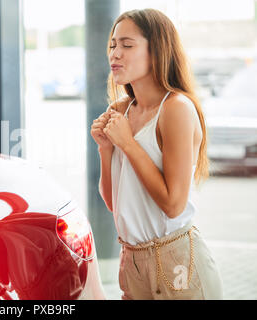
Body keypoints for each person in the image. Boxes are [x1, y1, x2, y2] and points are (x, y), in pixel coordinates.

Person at [90, 8, 223, 300]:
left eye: (127, 45)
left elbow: (173, 205)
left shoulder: (176, 109)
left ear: (157, 50)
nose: (115, 54)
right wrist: (106, 149)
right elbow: (115, 203)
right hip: (132, 261)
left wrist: (128, 144)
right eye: (113, 45)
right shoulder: (120, 111)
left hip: (177, 261)